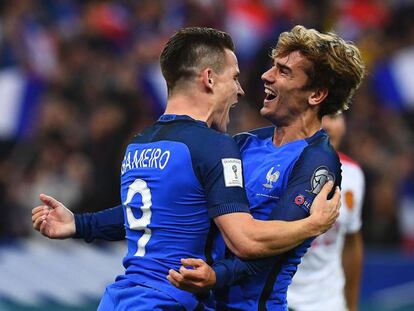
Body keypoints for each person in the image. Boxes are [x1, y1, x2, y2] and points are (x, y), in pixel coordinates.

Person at [31, 27, 340, 311]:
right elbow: (246, 241)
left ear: (316, 95)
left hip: (120, 299)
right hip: (170, 301)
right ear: (209, 79)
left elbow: (152, 211)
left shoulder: (140, 143)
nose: (243, 89)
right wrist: (313, 225)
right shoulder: (217, 147)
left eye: (283, 70)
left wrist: (80, 224)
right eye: (234, 78)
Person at [166, 25, 365, 310]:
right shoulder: (244, 143)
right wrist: (86, 224)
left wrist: (215, 276)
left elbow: (265, 250)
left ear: (316, 95)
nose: (266, 75)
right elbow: (174, 204)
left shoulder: (317, 162)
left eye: (284, 71)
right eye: (273, 66)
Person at [287, 113, 365, 311]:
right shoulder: (279, 167)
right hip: (281, 300)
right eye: (321, 115)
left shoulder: (354, 174)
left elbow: (351, 242)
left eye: (335, 115)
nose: (328, 124)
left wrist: (352, 305)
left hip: (329, 302)